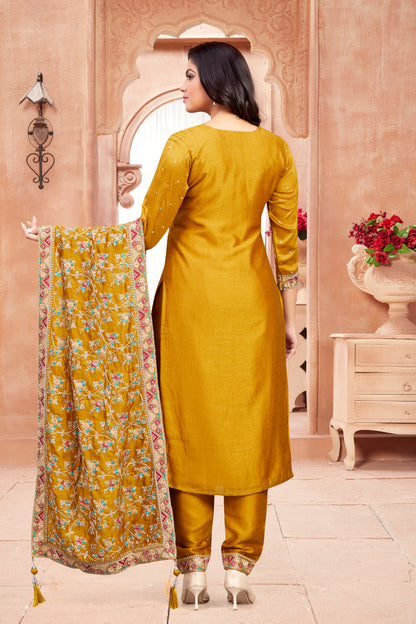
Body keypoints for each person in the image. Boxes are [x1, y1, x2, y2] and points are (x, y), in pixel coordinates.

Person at [22, 41, 299, 611]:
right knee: (248, 433)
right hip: (254, 308)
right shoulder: (275, 150)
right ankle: (239, 571)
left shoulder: (185, 145)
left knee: (188, 431)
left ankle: (192, 571)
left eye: (191, 76)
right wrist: (290, 319)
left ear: (216, 82)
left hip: (189, 309)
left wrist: (59, 242)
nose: (183, 86)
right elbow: (286, 246)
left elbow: (145, 231)